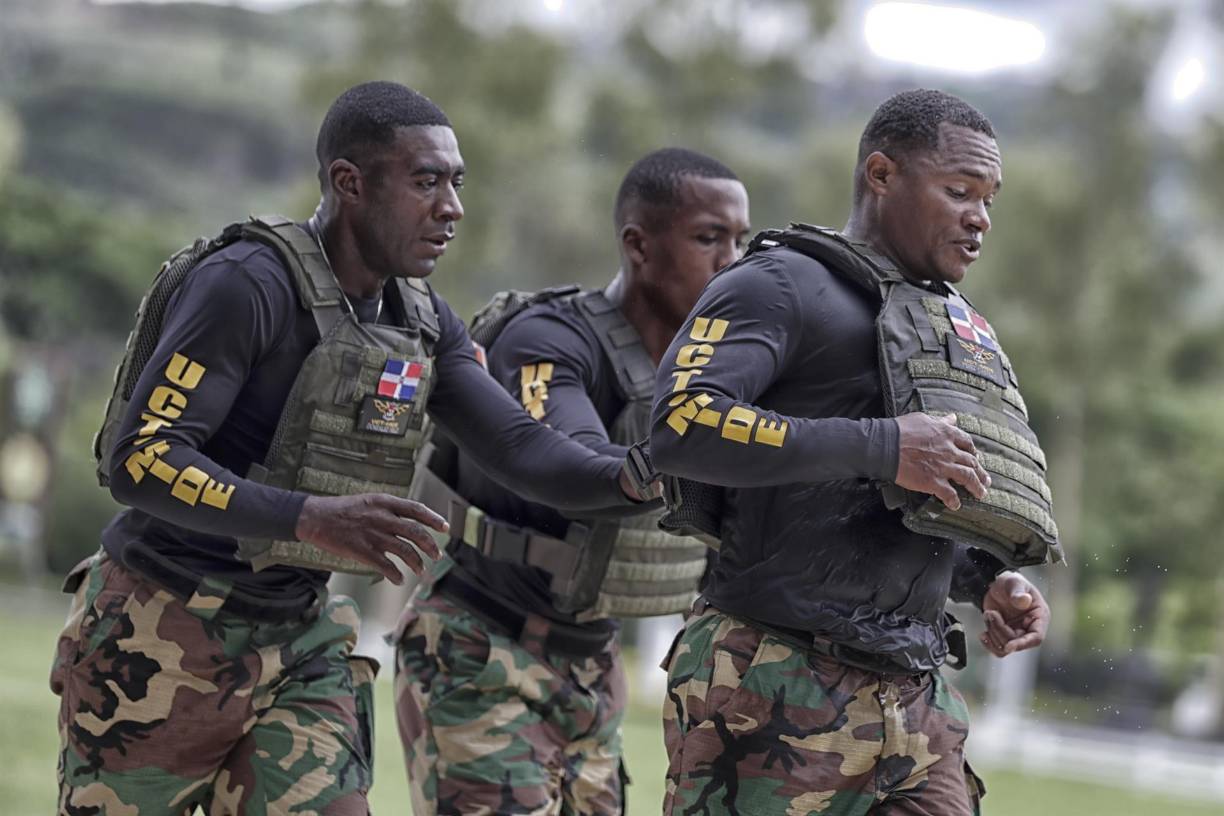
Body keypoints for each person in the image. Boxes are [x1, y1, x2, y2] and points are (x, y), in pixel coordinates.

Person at [50, 81, 648, 815]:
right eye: (426, 182)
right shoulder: (247, 284)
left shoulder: (423, 320)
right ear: (349, 183)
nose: (452, 208)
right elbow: (140, 459)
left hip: (300, 639)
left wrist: (644, 477)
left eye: (456, 184)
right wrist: (308, 518)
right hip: (158, 624)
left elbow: (522, 447)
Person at [650, 89, 1056, 816]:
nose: (979, 217)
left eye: (989, 199)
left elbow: (892, 500)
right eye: (959, 191)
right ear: (881, 174)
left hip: (916, 698)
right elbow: (681, 423)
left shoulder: (945, 323)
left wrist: (984, 576)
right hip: (771, 678)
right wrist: (884, 445)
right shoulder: (777, 283)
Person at [395, 148, 751, 816]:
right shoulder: (550, 339)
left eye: (740, 241)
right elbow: (567, 458)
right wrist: (673, 464)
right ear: (638, 245)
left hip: (592, 663)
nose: (731, 262)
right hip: (484, 646)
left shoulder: (712, 367)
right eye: (709, 238)